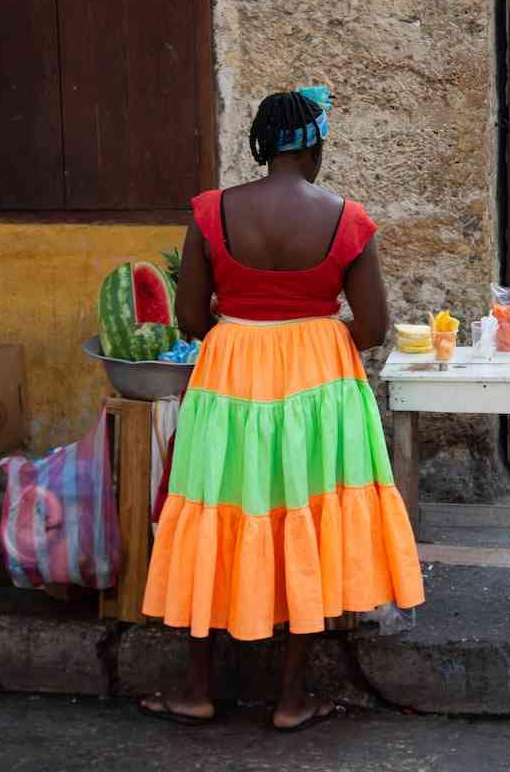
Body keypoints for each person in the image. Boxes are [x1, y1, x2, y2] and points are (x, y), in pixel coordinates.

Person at [139, 87, 424, 732]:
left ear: (263, 147)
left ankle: (196, 689)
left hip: (229, 373)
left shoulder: (211, 213)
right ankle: (292, 698)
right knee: (307, 513)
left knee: (216, 504)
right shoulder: (347, 219)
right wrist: (310, 337)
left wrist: (248, 328)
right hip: (319, 380)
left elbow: (188, 317)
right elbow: (374, 327)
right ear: (316, 146)